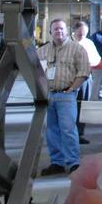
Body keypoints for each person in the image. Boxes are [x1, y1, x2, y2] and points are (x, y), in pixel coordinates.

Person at [37, 18, 90, 176]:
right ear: (50, 32)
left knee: (68, 129)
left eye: (61, 28)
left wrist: (71, 89)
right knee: (51, 131)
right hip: (48, 95)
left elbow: (84, 72)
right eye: (55, 29)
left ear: (66, 31)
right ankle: (57, 162)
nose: (59, 31)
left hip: (66, 95)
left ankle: (73, 163)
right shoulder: (42, 51)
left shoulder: (77, 49)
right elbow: (36, 71)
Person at [72, 19, 102, 143]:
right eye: (80, 34)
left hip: (85, 78)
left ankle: (79, 134)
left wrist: (89, 62)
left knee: (82, 106)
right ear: (74, 32)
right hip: (70, 79)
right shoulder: (67, 43)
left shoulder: (88, 43)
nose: (82, 37)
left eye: (84, 34)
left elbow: (96, 59)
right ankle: (69, 133)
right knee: (69, 106)